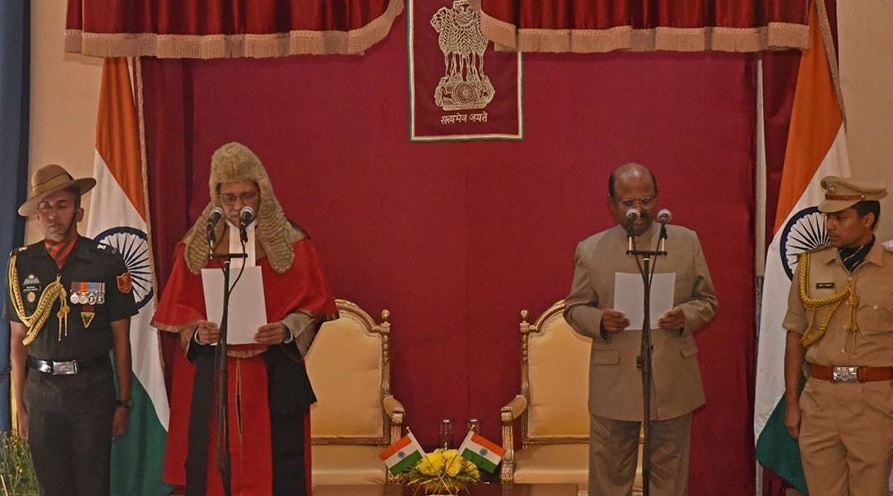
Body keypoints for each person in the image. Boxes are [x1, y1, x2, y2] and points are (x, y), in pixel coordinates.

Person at [151, 142, 338, 495]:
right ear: (216, 197)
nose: (238, 207)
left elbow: (313, 307)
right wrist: (196, 330)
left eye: (246, 196)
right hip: (215, 373)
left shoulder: (293, 242)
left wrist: (285, 329)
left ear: (261, 193)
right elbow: (178, 311)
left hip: (271, 372)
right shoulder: (196, 245)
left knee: (275, 467)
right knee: (214, 465)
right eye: (229, 198)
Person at [563, 162, 717, 496]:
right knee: (610, 476)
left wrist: (685, 316)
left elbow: (707, 301)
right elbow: (574, 308)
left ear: (657, 198)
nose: (639, 210)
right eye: (628, 202)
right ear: (611, 203)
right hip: (615, 379)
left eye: (646, 200)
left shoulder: (685, 242)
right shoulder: (591, 250)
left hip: (672, 376)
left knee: (670, 474)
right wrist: (600, 320)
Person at [4, 164, 135, 496]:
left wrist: (123, 401)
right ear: (36, 216)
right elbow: (18, 340)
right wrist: (20, 404)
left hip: (91, 389)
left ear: (78, 211)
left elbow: (121, 336)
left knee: (93, 484)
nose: (52, 215)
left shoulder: (105, 261)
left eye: (61, 205)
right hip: (42, 392)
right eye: (44, 207)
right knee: (53, 487)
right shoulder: (22, 265)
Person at [782, 176, 892, 495]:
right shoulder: (810, 267)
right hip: (820, 398)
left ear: (867, 219)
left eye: (840, 217)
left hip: (875, 400)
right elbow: (794, 336)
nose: (830, 225)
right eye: (827, 217)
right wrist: (792, 401)